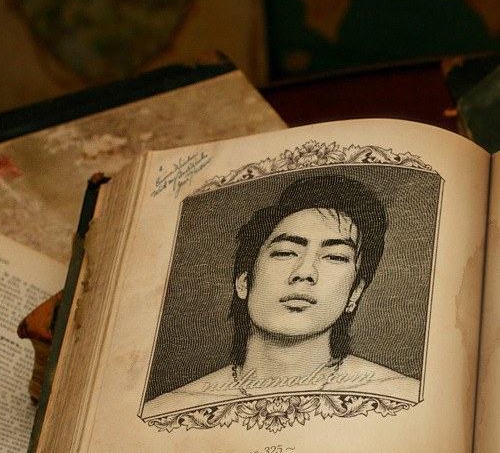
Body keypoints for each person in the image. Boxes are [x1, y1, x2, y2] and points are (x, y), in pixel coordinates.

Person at [143, 174, 419, 417]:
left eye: (335, 256)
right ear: (243, 282)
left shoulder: (403, 398)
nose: (305, 272)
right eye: (286, 253)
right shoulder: (169, 410)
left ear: (354, 293)